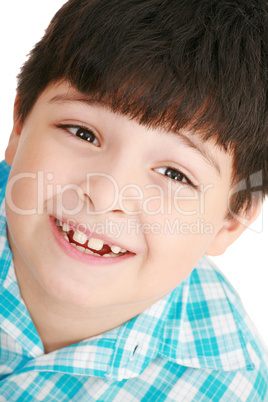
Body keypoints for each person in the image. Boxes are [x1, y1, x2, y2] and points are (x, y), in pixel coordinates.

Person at [0, 0, 267, 400]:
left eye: (175, 174)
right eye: (82, 132)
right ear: (19, 125)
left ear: (231, 220)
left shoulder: (230, 390)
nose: (105, 194)